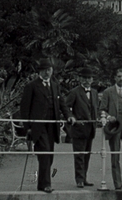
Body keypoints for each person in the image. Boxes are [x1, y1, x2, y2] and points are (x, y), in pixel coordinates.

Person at [16, 61, 64, 193]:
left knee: (49, 156)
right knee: (45, 152)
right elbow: (24, 108)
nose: (47, 72)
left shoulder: (55, 86)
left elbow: (62, 104)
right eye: (44, 70)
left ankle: (42, 184)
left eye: (49, 70)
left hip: (51, 126)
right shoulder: (31, 86)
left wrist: (69, 115)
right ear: (39, 72)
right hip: (38, 126)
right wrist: (28, 127)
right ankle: (46, 184)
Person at [62, 77, 100, 188]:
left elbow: (95, 108)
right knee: (79, 155)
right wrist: (72, 118)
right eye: (84, 78)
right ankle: (79, 179)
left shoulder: (94, 92)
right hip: (79, 128)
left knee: (87, 155)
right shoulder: (74, 92)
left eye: (88, 78)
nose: (86, 81)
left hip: (90, 128)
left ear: (92, 79)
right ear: (80, 79)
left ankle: (84, 178)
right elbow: (66, 107)